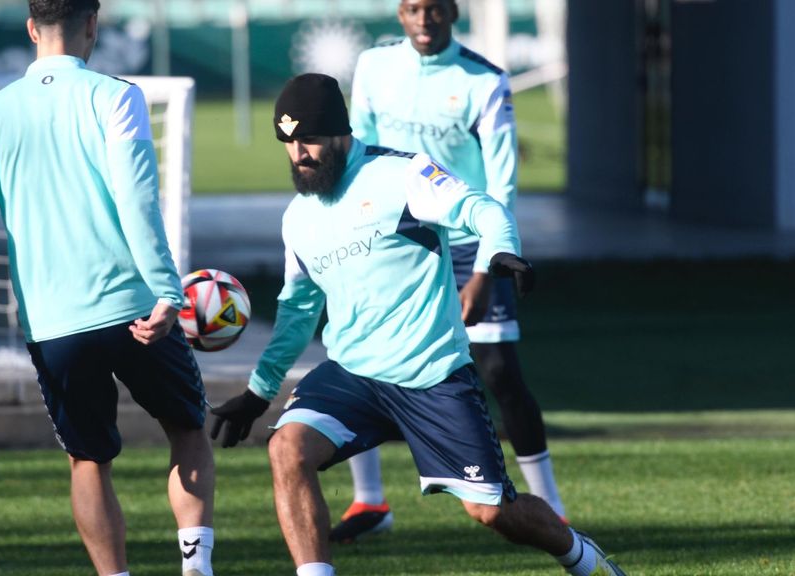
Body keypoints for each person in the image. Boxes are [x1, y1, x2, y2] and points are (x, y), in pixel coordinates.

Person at [210, 73, 624, 576]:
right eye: (288, 141)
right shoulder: (297, 218)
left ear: (341, 133)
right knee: (287, 448)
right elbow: (298, 311)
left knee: (494, 511)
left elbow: (481, 209)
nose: (299, 152)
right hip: (353, 375)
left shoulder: (403, 175)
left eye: (311, 138)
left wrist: (501, 253)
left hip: (431, 375)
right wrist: (258, 394)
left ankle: (583, 558)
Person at [0, 2, 215, 575]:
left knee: (88, 460)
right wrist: (168, 291)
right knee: (187, 429)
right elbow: (137, 199)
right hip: (134, 309)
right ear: (93, 24)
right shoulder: (116, 96)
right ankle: (196, 568)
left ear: (30, 29)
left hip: (53, 322)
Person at [331, 0, 567, 542]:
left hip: (465, 242)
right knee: (359, 360)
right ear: (399, 12)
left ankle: (551, 505)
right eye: (412, 8)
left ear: (453, 12)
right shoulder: (373, 66)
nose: (423, 19)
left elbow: (502, 181)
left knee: (499, 371)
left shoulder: (485, 81)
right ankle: (370, 503)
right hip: (393, 239)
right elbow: (358, 152)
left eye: (434, 9)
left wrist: (487, 267)